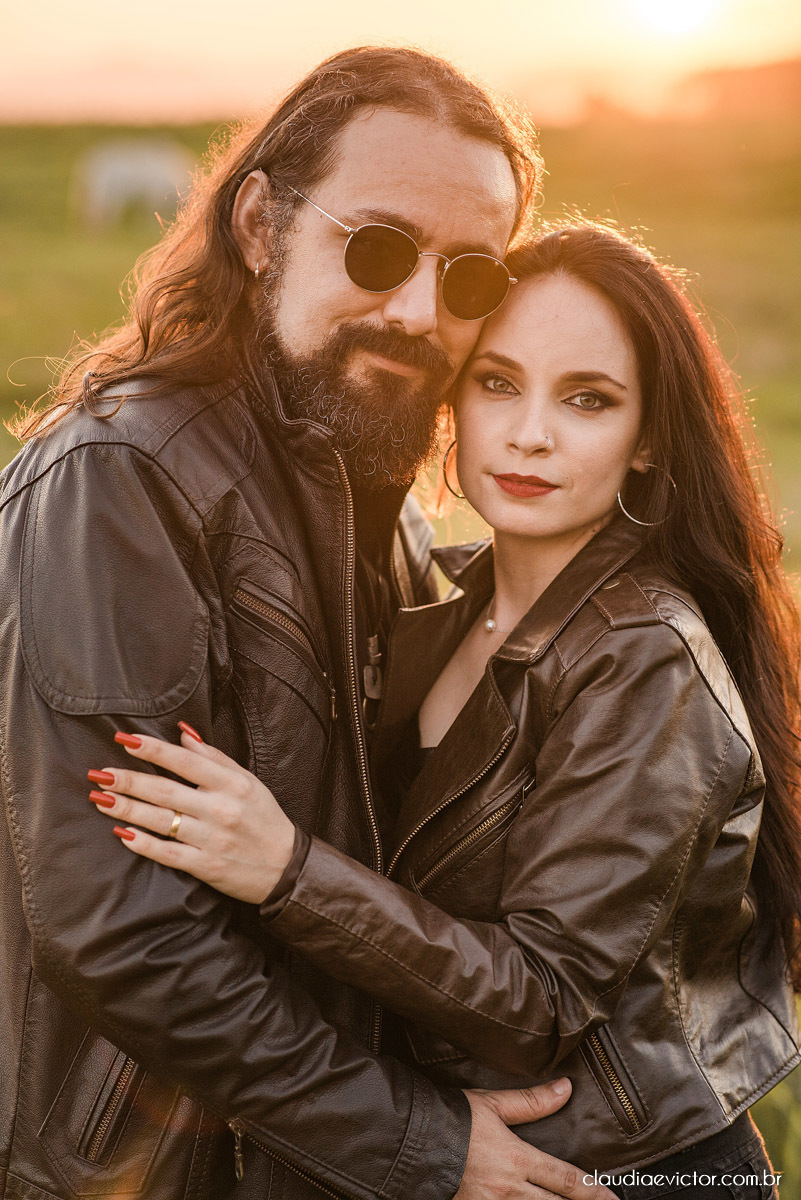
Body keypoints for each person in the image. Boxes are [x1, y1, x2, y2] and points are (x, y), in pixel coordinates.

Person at [0, 48, 616, 1200]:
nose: (419, 311)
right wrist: (424, 1143)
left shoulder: (362, 487)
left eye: (470, 276)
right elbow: (126, 937)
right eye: (377, 248)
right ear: (259, 225)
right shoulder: (117, 485)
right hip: (153, 1173)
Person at [98, 222, 801, 1199]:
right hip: (479, 1155)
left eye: (588, 400)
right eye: (499, 382)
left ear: (648, 442)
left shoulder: (646, 655)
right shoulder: (443, 604)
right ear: (452, 401)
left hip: (630, 1171)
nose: (530, 433)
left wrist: (284, 869)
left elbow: (546, 997)